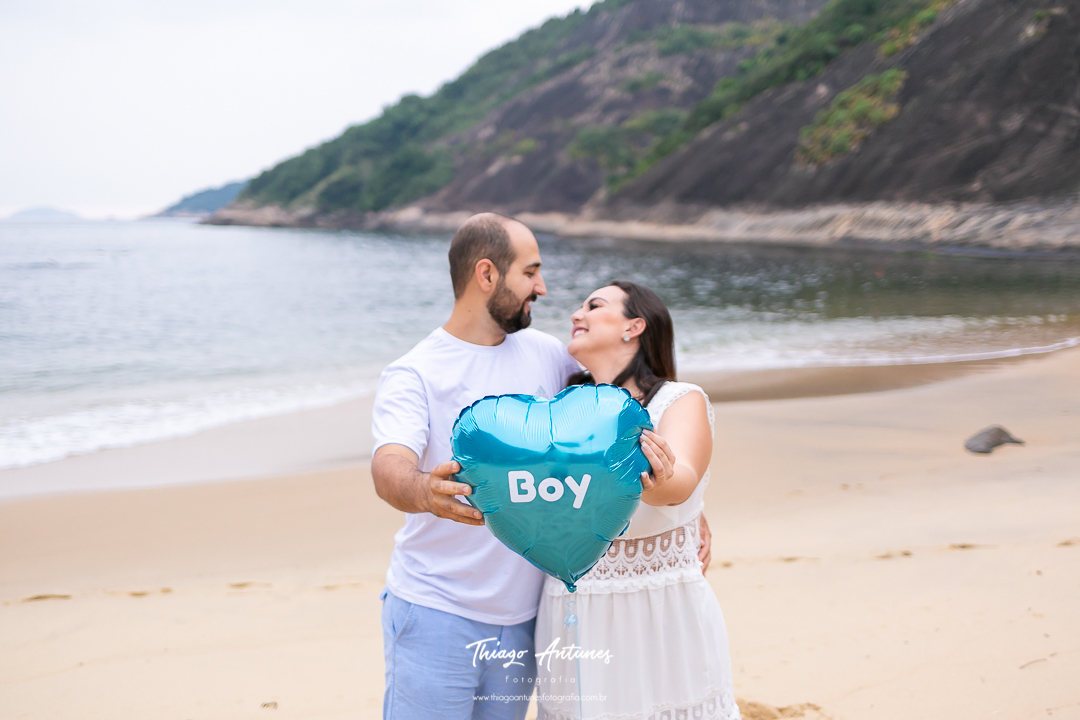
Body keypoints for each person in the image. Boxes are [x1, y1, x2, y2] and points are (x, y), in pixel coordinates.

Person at [371, 214, 713, 720]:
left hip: (531, 612)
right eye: (530, 273)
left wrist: (685, 507)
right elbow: (388, 469)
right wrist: (423, 491)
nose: (543, 288)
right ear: (487, 275)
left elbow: (606, 440)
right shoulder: (415, 372)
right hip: (439, 608)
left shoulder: (549, 356)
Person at [534, 281, 740, 720]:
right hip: (571, 603)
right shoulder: (560, 407)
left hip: (655, 603)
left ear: (635, 326)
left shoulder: (678, 400)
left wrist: (651, 476)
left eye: (593, 305)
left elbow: (679, 483)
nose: (576, 314)